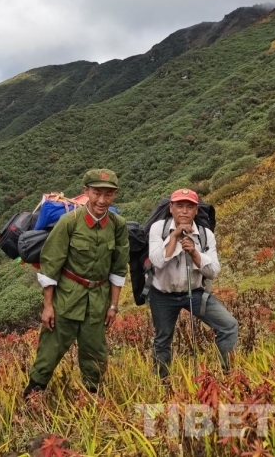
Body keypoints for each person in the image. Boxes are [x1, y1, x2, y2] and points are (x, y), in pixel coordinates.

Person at [24, 169, 129, 396]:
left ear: (115, 195)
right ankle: (32, 396)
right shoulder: (69, 222)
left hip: (98, 300)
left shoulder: (118, 225)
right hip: (66, 297)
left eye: (108, 194)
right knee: (50, 349)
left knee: (95, 353)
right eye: (96, 193)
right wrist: (48, 306)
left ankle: (92, 399)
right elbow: (50, 265)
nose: (102, 200)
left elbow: (119, 268)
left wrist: (113, 305)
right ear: (86, 191)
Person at [147, 188, 238, 379]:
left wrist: (195, 253)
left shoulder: (205, 234)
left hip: (195, 292)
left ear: (196, 210)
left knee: (228, 326)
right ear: (171, 208)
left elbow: (213, 271)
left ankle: (229, 375)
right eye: (179, 206)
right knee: (162, 340)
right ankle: (161, 382)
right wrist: (174, 237)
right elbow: (157, 262)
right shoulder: (158, 228)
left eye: (189, 207)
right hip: (162, 294)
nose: (184, 211)